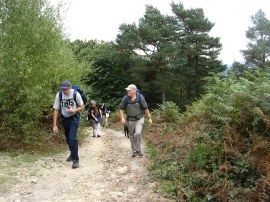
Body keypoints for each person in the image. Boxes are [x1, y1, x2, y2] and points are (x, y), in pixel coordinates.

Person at [52, 80, 84, 169]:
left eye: (66, 89)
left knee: (72, 138)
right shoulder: (59, 95)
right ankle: (72, 152)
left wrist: (74, 110)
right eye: (63, 89)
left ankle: (75, 160)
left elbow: (82, 106)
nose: (64, 91)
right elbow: (56, 109)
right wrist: (54, 125)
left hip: (74, 117)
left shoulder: (75, 94)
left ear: (70, 88)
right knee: (67, 137)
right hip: (65, 118)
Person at [119, 84, 152, 157]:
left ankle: (139, 150)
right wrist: (122, 118)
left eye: (129, 90)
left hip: (139, 119)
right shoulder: (126, 98)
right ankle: (134, 151)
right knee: (131, 135)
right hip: (130, 120)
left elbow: (145, 108)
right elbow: (121, 108)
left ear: (134, 91)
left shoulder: (140, 97)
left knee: (137, 133)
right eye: (127, 90)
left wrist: (149, 118)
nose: (127, 91)